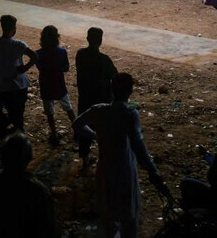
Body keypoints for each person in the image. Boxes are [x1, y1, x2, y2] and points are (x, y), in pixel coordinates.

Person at [72, 73, 171, 238]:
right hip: (124, 171)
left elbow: (77, 125)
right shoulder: (130, 115)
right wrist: (153, 172)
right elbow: (139, 147)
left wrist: (96, 135)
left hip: (104, 170)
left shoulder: (98, 110)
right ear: (130, 91)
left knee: (110, 220)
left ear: (112, 89)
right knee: (129, 220)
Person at [0, 15, 37, 132]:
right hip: (20, 84)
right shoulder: (18, 44)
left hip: (3, 85)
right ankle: (19, 132)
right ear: (14, 28)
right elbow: (34, 56)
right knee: (19, 112)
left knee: (10, 110)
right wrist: (25, 68)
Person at [75, 27, 118, 168]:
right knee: (102, 128)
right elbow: (114, 76)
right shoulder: (104, 60)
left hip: (85, 97)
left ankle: (85, 158)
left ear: (87, 39)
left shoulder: (80, 55)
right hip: (101, 98)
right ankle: (103, 157)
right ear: (100, 40)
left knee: (85, 127)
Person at [35, 25, 76, 145]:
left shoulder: (39, 53)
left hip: (46, 85)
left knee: (49, 111)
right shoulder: (62, 52)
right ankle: (77, 129)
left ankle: (54, 134)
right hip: (59, 84)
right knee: (68, 107)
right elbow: (66, 68)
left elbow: (40, 68)